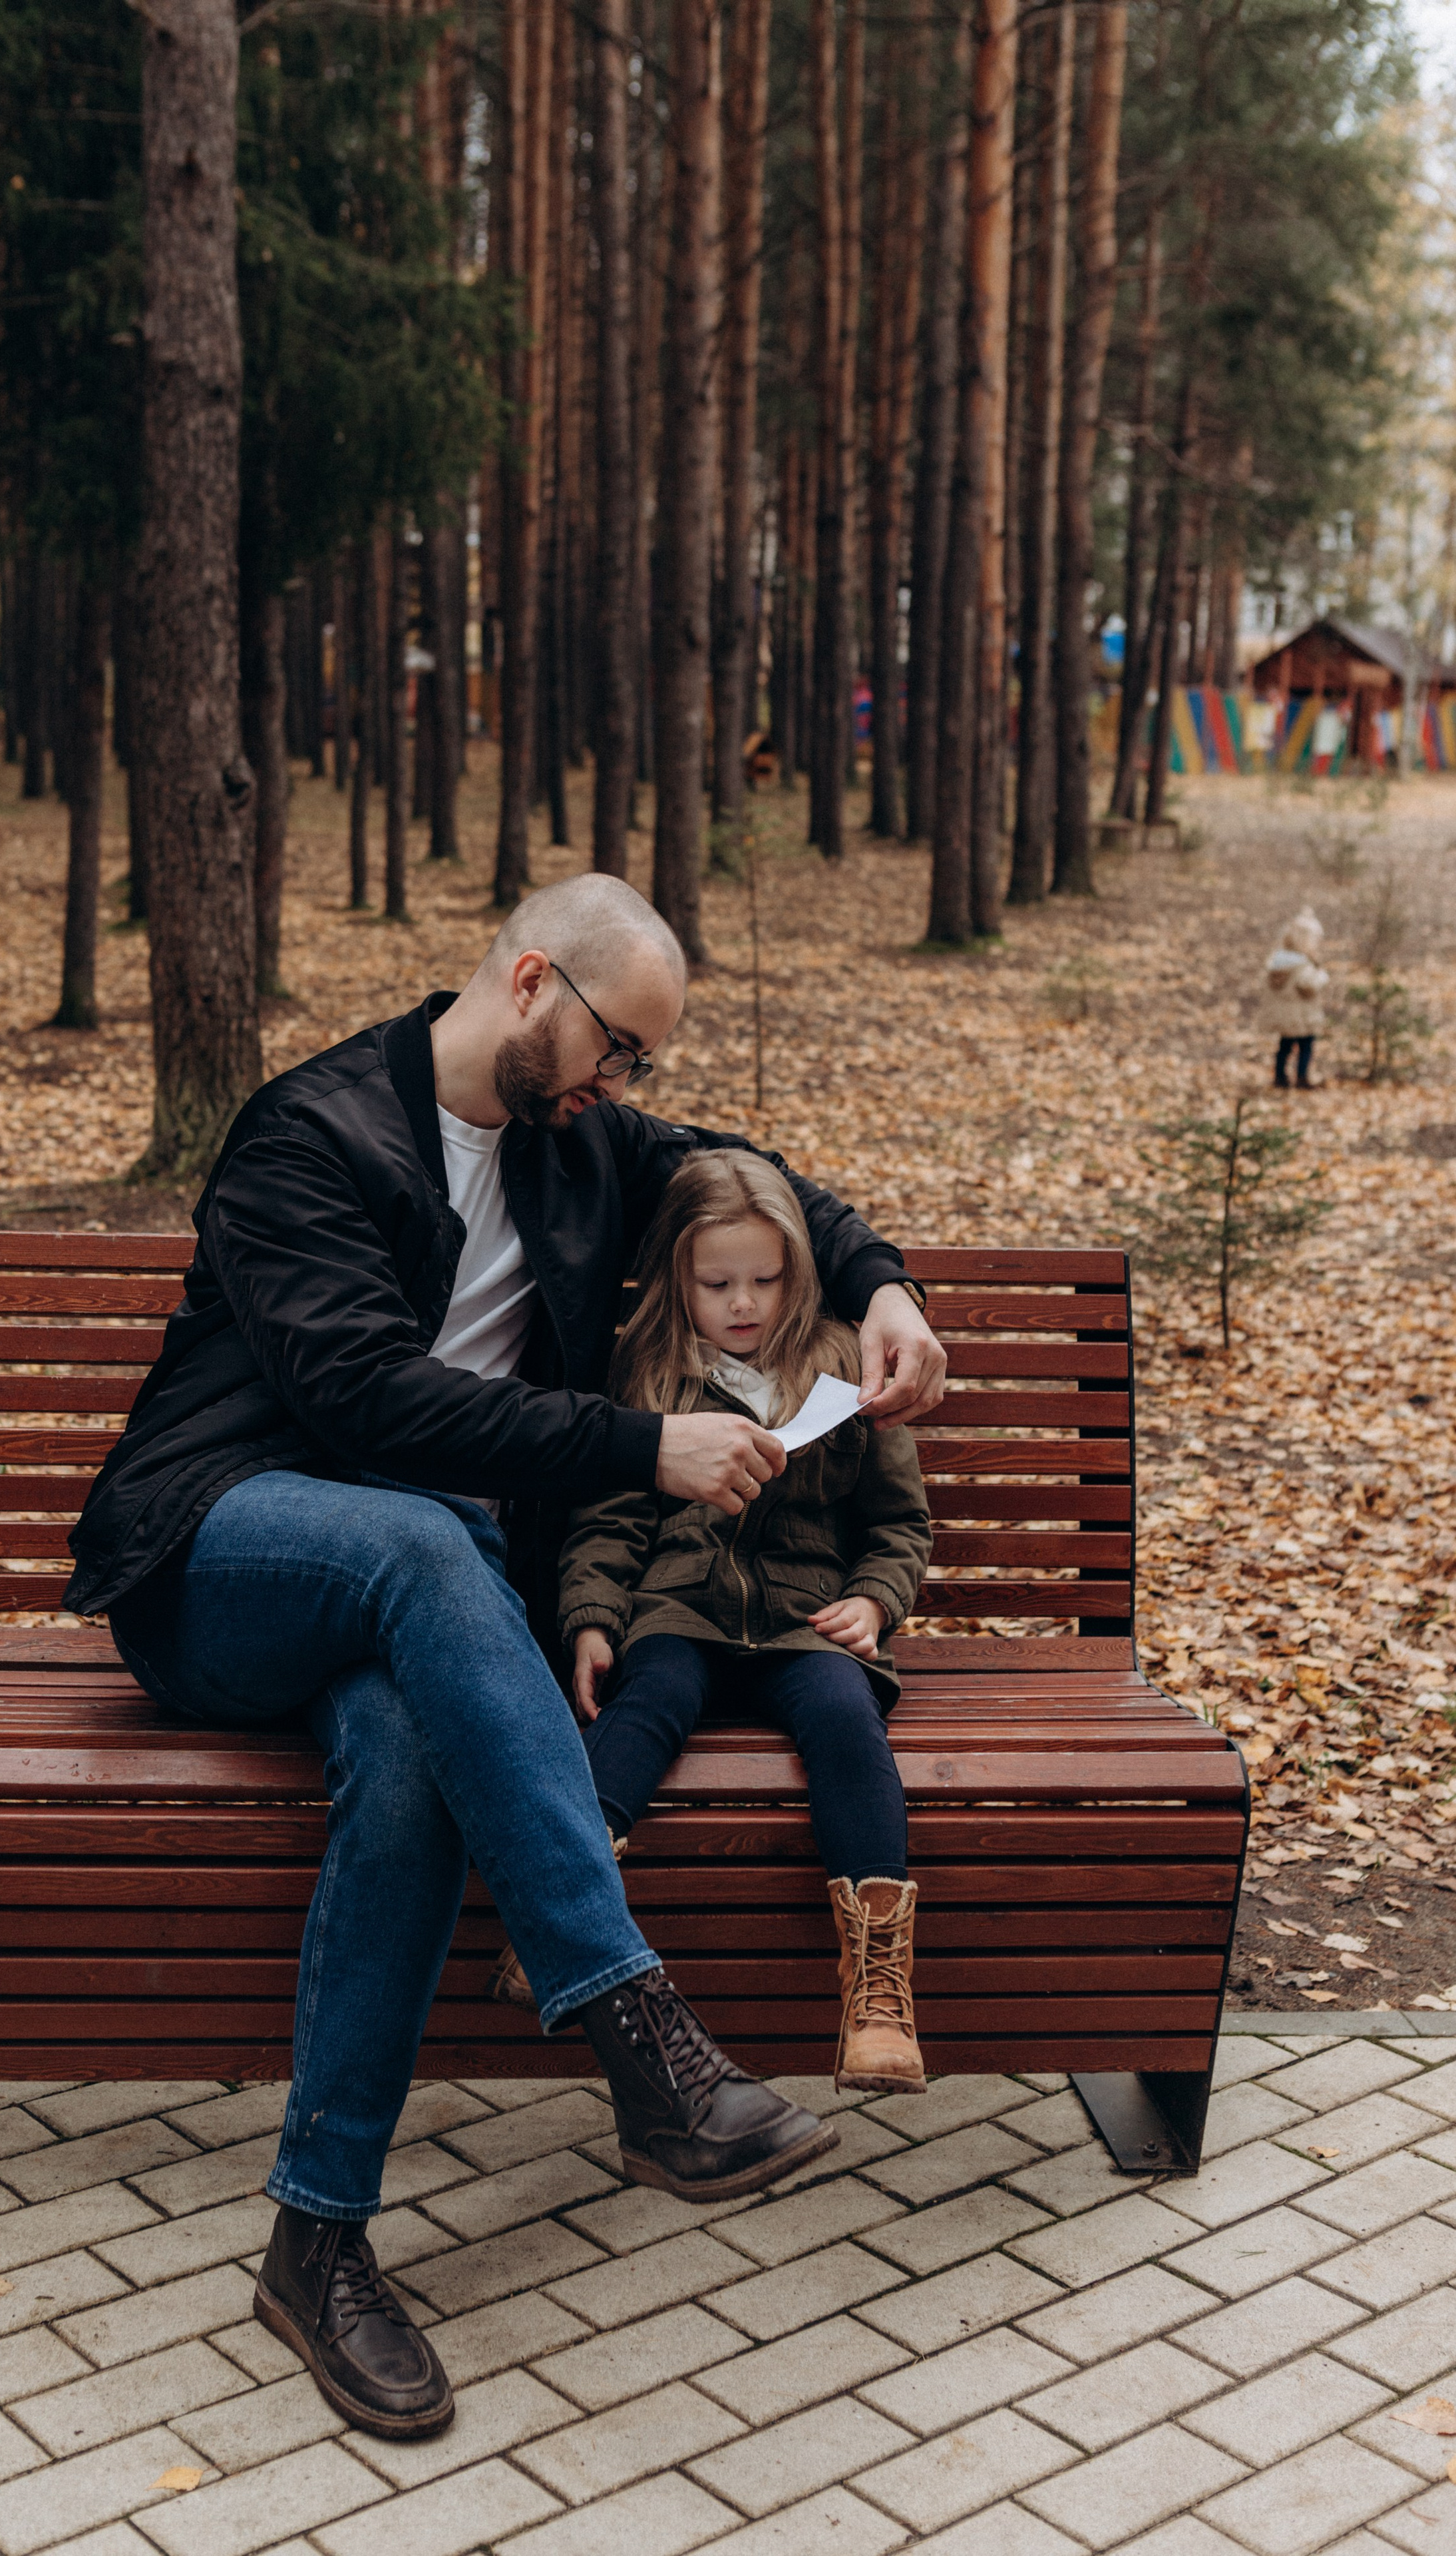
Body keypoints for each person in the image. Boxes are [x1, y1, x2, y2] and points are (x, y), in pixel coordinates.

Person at [65, 872, 948, 2442]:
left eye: (639, 1069)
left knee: (410, 1760)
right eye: (618, 1048)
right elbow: (369, 1407)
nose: (625, 1089)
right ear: (532, 983)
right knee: (413, 1527)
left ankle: (316, 2240)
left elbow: (753, 1179)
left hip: (434, 1604)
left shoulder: (578, 1134)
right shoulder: (312, 1136)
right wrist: (638, 1442)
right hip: (226, 1557)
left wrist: (879, 1282)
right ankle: (635, 2032)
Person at [489, 1150, 933, 2095]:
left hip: (807, 1621)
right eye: (718, 1282)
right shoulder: (649, 1369)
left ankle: (879, 1994)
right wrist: (593, 1620)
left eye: (767, 1280)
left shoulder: (840, 1368)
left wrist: (875, 1600)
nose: (744, 1303)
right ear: (675, 1280)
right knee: (640, 1710)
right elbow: (605, 1520)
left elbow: (896, 1524)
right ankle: (559, 1921)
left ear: (799, 1274)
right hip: (678, 1612)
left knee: (848, 1723)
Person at [1264, 906, 1328, 1089]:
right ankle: (1302, 1076)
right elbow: (1309, 985)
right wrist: (1322, 975)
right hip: (1302, 1018)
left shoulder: (1278, 961)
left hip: (1285, 1017)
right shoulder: (1303, 965)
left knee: (1285, 1046)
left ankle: (1280, 1076)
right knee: (1306, 1046)